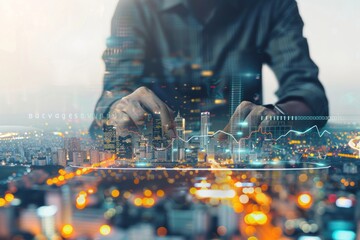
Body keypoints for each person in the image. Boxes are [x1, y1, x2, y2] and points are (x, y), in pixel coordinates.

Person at [90, 0, 328, 139]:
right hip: (157, 157)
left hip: (239, 162)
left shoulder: (271, 5)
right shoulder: (136, 5)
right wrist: (118, 109)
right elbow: (114, 91)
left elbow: (307, 92)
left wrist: (277, 116)